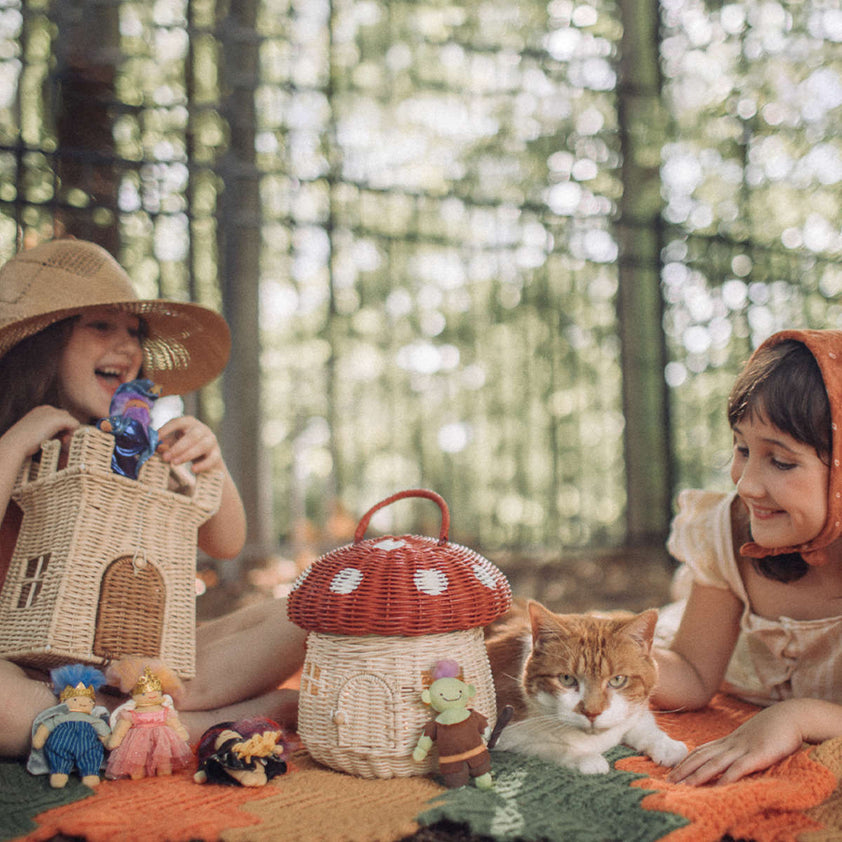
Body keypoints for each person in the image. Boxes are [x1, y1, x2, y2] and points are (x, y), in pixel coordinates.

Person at [0, 238, 307, 757]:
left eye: (134, 332)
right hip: (23, 669)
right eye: (101, 325)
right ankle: (198, 722)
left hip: (133, 661)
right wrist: (19, 440)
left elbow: (226, 542)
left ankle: (147, 711)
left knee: (305, 613)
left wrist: (211, 464)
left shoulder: (126, 446)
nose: (128, 346)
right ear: (41, 345)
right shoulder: (12, 440)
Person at [653, 329, 842, 786]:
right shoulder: (728, 530)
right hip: (722, 657)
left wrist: (795, 717)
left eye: (781, 461)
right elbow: (693, 674)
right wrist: (601, 657)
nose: (747, 483)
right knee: (662, 621)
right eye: (741, 449)